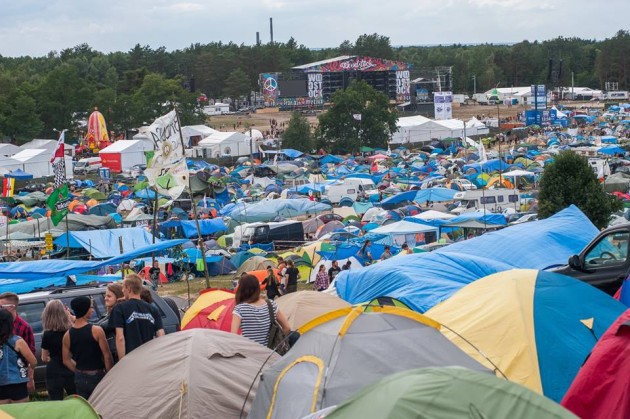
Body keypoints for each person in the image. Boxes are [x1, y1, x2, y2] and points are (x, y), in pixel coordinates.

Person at [62, 297, 113, 400]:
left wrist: (78, 370)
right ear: (85, 309)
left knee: (87, 406)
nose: (93, 309)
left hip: (80, 378)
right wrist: (110, 374)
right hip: (98, 375)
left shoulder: (67, 335)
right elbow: (107, 355)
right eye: (91, 307)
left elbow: (66, 360)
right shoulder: (96, 330)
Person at [109, 274, 165, 359]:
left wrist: (122, 362)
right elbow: (161, 335)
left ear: (128, 288)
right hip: (149, 358)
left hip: (131, 359)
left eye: (123, 288)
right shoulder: (153, 309)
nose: (123, 291)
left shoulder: (119, 309)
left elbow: (120, 338)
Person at [231, 275, 290, 347]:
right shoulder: (271, 304)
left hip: (250, 354)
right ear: (258, 288)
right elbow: (287, 328)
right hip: (270, 353)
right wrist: (278, 343)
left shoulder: (239, 309)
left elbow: (233, 337)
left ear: (241, 289)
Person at [0, 309, 37, 405]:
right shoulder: (18, 341)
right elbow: (33, 362)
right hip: (17, 383)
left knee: (4, 415)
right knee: (20, 413)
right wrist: (28, 372)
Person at [41, 301, 76, 400]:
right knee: (75, 399)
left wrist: (50, 358)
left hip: (54, 370)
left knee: (56, 401)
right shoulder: (71, 331)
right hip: (71, 367)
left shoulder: (47, 334)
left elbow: (44, 358)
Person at [96, 283, 124, 362]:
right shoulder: (111, 313)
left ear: (118, 297)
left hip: (118, 358)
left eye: (109, 296)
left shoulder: (120, 313)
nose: (105, 298)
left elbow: (101, 326)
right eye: (105, 296)